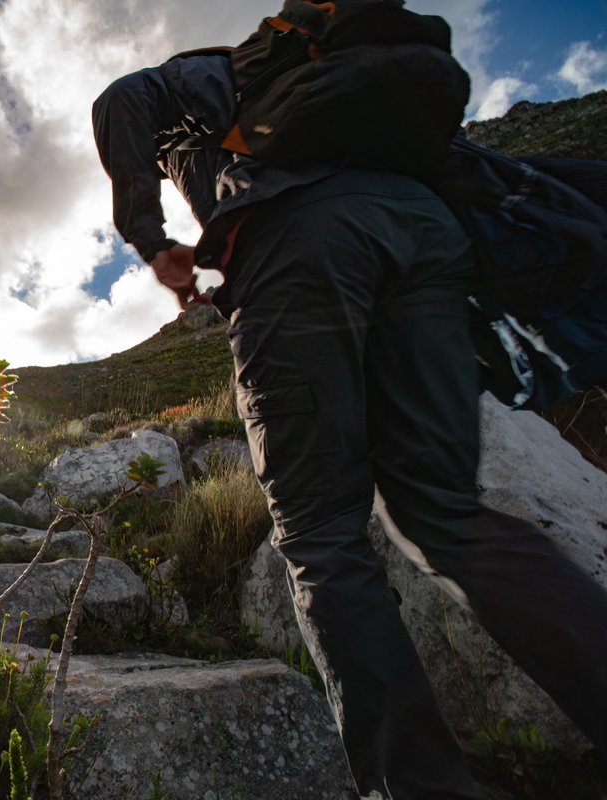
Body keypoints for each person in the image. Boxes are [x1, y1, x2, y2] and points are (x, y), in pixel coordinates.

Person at [93, 37, 607, 800]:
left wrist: (153, 239)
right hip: (423, 242)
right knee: (445, 517)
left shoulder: (211, 78)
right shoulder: (346, 95)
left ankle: (421, 786)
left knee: (322, 537)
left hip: (301, 248)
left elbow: (119, 102)